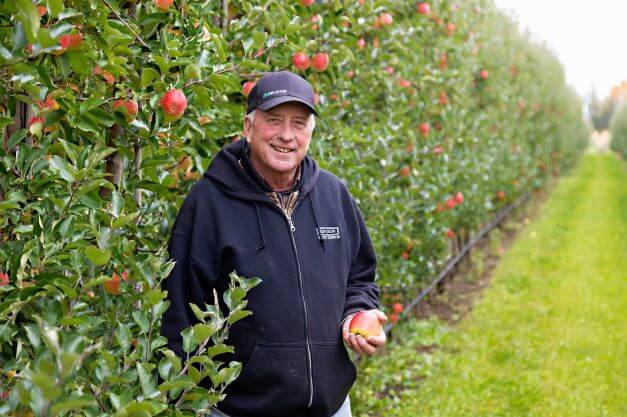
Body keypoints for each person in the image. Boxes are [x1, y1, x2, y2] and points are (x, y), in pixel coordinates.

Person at [161, 71, 387, 417]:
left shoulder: (332, 195)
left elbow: (359, 276)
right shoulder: (208, 203)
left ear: (311, 132)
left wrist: (359, 312)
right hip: (239, 409)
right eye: (273, 120)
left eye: (299, 123)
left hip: (332, 407)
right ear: (248, 128)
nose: (286, 135)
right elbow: (177, 309)